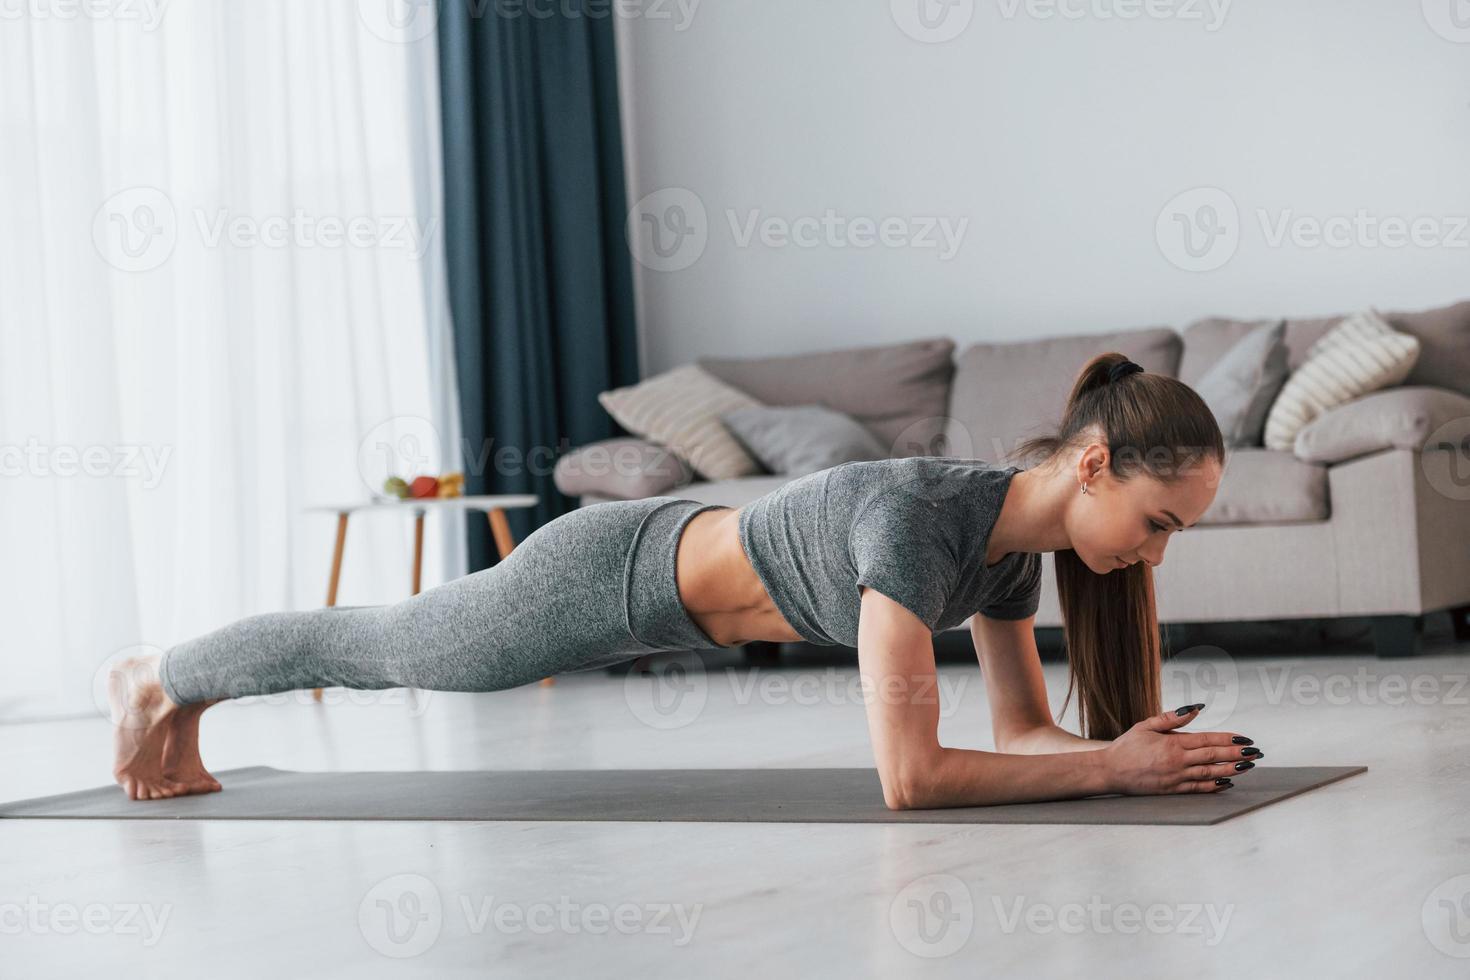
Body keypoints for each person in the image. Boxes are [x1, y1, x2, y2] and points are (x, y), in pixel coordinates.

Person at [108, 351, 1257, 808]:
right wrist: (1108, 768)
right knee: (392, 648)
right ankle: (158, 675)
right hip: (606, 574)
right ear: (1093, 463)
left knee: (391, 643)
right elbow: (909, 777)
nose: (1151, 556)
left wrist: (1135, 753)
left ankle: (175, 688)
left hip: (670, 559)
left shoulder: (1011, 552)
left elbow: (1018, 731)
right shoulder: (922, 518)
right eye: (1156, 523)